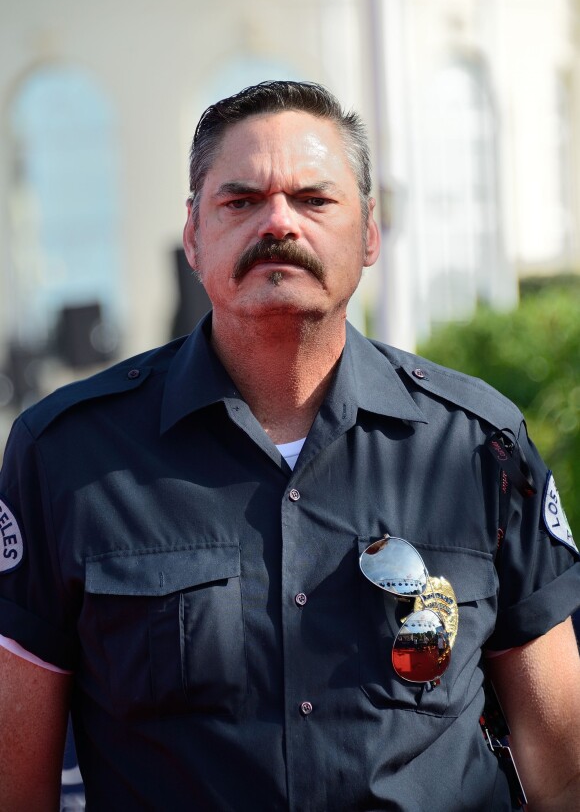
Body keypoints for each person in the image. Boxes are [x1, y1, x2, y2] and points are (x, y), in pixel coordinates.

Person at [0, 80, 578, 812]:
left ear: (369, 234)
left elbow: (563, 769)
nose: (279, 224)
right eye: (241, 202)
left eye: (314, 200)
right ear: (193, 237)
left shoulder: (476, 447)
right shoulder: (67, 456)